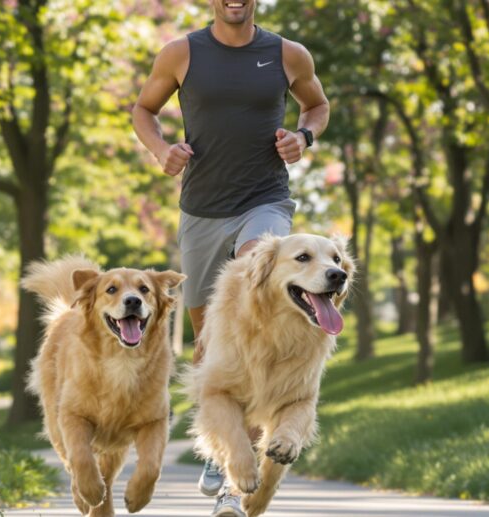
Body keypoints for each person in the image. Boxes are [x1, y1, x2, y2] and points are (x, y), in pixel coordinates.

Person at [132, 1, 330, 514]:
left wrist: (302, 137)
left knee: (251, 277)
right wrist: (161, 151)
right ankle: (219, 442)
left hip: (265, 202)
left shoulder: (288, 54)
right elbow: (142, 110)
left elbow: (318, 106)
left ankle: (249, 453)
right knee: (210, 343)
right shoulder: (181, 53)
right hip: (201, 211)